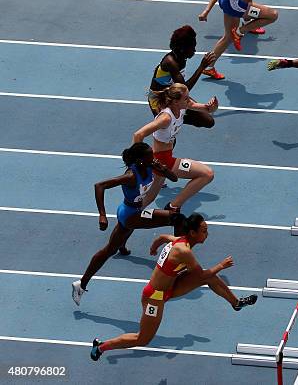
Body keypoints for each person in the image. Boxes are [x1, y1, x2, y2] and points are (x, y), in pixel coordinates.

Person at [89, 213, 258, 360]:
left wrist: (154, 247)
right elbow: (200, 276)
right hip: (154, 297)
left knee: (211, 277)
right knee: (143, 339)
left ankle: (236, 303)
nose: (207, 234)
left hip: (171, 287)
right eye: (204, 231)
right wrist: (221, 265)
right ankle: (101, 346)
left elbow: (162, 237)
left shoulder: (181, 241)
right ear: (192, 233)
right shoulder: (184, 251)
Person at [71, 143, 180, 306]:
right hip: (131, 215)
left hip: (133, 211)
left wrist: (163, 169)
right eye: (150, 155)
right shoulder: (131, 176)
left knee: (110, 249)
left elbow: (174, 178)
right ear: (140, 160)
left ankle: (81, 284)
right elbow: (99, 186)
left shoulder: (151, 166)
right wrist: (102, 215)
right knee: (175, 218)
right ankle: (179, 257)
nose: (153, 157)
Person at [135, 83, 215, 214]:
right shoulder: (165, 118)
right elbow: (138, 135)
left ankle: (128, 217)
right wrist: (139, 162)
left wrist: (210, 107)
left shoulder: (182, 106)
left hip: (163, 160)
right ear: (176, 101)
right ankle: (173, 206)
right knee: (207, 174)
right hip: (163, 160)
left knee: (148, 198)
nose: (189, 100)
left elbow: (204, 109)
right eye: (186, 98)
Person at [198, 0, 279, 79]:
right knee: (273, 15)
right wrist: (206, 11)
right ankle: (241, 31)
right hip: (235, 5)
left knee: (228, 37)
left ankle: (208, 67)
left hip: (226, 0)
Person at [149, 25, 219, 128]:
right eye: (192, 48)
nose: (194, 51)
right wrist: (201, 67)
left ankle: (177, 119)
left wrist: (206, 107)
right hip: (160, 100)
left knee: (208, 121)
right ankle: (173, 120)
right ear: (183, 49)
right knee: (168, 135)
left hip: (174, 95)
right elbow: (185, 89)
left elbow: (181, 92)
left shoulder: (181, 57)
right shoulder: (170, 62)